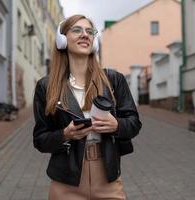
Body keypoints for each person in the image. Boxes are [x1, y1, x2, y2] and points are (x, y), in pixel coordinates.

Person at [33, 14, 142, 200]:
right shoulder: (46, 86)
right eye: (77, 30)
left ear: (94, 40)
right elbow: (40, 140)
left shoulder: (113, 80)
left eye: (89, 31)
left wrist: (117, 126)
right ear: (62, 40)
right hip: (66, 180)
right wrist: (64, 135)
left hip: (108, 179)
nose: (85, 35)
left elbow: (134, 124)